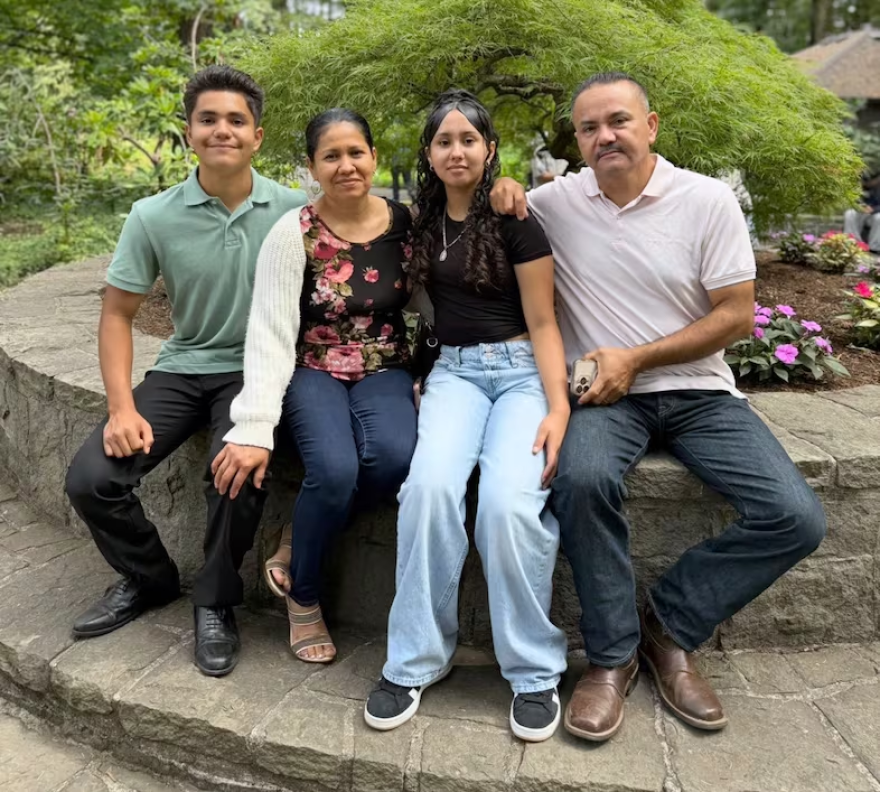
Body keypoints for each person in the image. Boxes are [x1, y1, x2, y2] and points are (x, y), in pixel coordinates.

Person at [491, 72, 826, 740]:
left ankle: (668, 627)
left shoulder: (706, 202)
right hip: (607, 402)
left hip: (699, 392)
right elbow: (486, 205)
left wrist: (637, 359)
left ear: (652, 125)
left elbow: (735, 317)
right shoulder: (556, 202)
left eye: (618, 121)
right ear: (578, 140)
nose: (603, 136)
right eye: (588, 128)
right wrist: (501, 189)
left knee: (796, 517)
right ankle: (611, 658)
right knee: (580, 480)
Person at [64, 65, 308, 677]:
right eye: (208, 119)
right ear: (189, 132)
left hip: (256, 372)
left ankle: (216, 603)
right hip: (182, 365)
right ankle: (149, 579)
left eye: (236, 120)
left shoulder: (296, 211)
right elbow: (117, 315)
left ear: (257, 135)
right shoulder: (152, 214)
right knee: (91, 478)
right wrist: (121, 407)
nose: (221, 129)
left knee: (235, 475)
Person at [364, 90, 570, 743]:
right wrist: (425, 373)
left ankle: (534, 672)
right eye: (444, 140)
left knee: (508, 504)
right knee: (427, 491)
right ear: (429, 153)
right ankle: (415, 659)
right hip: (453, 373)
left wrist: (559, 405)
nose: (457, 150)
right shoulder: (418, 220)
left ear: (488, 149)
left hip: (519, 376)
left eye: (469, 139)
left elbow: (543, 321)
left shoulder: (516, 219)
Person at [212, 109, 417, 664]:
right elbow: (271, 331)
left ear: (373, 157)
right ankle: (303, 597)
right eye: (331, 155)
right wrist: (254, 422)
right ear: (312, 166)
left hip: (385, 368)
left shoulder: (407, 224)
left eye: (356, 153)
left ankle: (296, 538)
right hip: (313, 368)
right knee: (334, 470)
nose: (346, 165)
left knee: (395, 459)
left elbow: (434, 303)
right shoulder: (293, 232)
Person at [843, 172, 880, 253]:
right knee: (850, 213)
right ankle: (852, 242)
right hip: (863, 212)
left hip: (876, 214)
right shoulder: (862, 186)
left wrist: (874, 209)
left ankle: (874, 247)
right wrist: (860, 206)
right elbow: (855, 201)